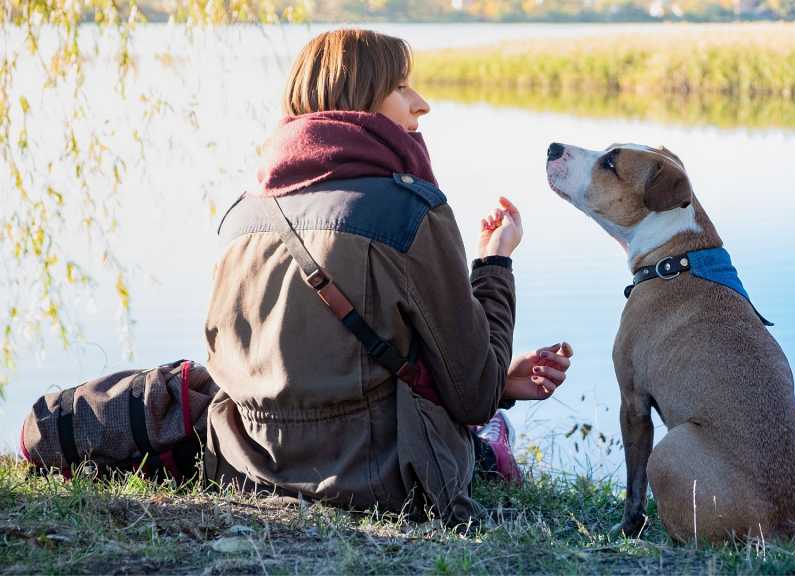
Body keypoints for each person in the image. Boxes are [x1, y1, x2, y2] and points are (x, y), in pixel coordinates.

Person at [201, 29, 573, 521]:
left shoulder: (240, 217)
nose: (421, 105)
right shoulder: (408, 212)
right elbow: (476, 395)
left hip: (245, 469)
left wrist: (500, 381)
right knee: (485, 427)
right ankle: (492, 454)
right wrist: (494, 263)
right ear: (356, 100)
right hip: (381, 483)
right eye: (401, 88)